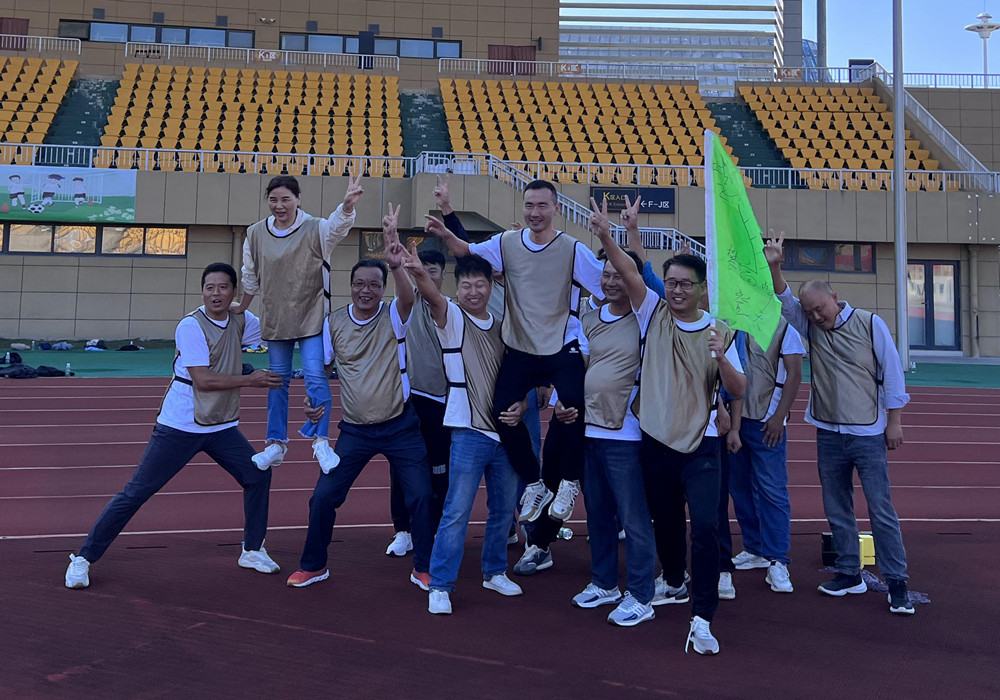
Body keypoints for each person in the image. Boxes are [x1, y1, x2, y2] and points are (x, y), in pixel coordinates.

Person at [64, 263, 284, 589]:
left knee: (257, 475)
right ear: (202, 291)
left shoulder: (242, 320)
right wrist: (251, 380)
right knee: (137, 491)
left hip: (220, 425)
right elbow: (203, 380)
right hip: (180, 425)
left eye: (223, 287)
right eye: (209, 287)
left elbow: (277, 332)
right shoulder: (190, 326)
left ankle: (252, 550)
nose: (216, 294)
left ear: (234, 292)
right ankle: (83, 558)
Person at [426, 179, 605, 575]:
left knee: (576, 407)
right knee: (502, 411)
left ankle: (569, 482)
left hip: (560, 345)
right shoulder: (507, 243)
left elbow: (605, 284)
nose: (535, 212)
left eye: (542, 205)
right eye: (529, 205)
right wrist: (446, 222)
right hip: (521, 348)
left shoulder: (572, 249)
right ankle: (535, 485)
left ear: (556, 209)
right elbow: (467, 252)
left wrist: (611, 237)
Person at [593, 197, 746, 655]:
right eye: (672, 282)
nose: (676, 290)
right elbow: (629, 268)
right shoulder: (652, 312)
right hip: (656, 441)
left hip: (702, 444)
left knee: (705, 527)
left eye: (685, 284)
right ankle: (675, 580)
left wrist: (721, 358)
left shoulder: (720, 331)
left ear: (702, 289)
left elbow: (738, 387)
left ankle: (703, 616)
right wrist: (608, 236)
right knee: (665, 520)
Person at [286, 204, 436, 591]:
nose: (365, 290)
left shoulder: (395, 315)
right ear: (351, 286)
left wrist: (397, 264)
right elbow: (320, 371)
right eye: (359, 284)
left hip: (401, 426)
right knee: (323, 498)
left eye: (373, 284)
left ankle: (424, 566)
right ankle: (313, 565)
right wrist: (312, 402)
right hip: (355, 430)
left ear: (382, 289)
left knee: (422, 496)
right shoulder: (333, 323)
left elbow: (408, 297)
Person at [764, 233, 914, 615]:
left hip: (868, 432)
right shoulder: (809, 326)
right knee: (837, 507)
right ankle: (849, 572)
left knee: (880, 509)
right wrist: (775, 264)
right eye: (810, 312)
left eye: (820, 309)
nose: (816, 317)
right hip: (829, 431)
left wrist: (894, 422)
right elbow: (785, 301)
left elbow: (893, 373)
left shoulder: (870, 323)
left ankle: (897, 582)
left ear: (834, 297)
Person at [402, 249, 524, 614]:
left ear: (490, 287)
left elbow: (517, 377)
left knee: (503, 509)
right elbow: (431, 295)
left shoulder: (503, 327)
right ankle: (440, 584)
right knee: (456, 511)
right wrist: (416, 272)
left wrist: (522, 404)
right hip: (469, 432)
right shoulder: (452, 318)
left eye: (480, 284)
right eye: (466, 285)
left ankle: (494, 571)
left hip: (505, 433)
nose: (473, 291)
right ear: (457, 289)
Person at [237, 174, 363, 474]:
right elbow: (250, 275)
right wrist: (241, 307)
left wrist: (346, 206)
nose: (279, 205)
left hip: (312, 316)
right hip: (276, 318)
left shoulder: (315, 228)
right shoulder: (255, 233)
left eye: (286, 199)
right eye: (273, 200)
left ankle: (321, 440)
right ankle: (275, 443)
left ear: (298, 199)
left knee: (316, 377)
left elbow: (337, 228)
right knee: (276, 380)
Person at [564, 248, 658, 627]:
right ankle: (604, 583)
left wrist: (609, 234)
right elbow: (582, 367)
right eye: (606, 274)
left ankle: (641, 594)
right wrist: (564, 402)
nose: (611, 281)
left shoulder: (646, 316)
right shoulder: (588, 319)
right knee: (599, 515)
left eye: (619, 274)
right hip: (590, 430)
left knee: (634, 518)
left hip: (627, 435)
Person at [724, 321, 805, 595]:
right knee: (739, 488)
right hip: (734, 420)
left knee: (772, 490)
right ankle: (755, 547)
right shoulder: (731, 323)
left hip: (766, 421)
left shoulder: (783, 327)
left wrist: (779, 416)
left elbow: (795, 373)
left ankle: (778, 559)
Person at [385, 248, 451, 558]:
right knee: (402, 467)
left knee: (439, 469)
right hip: (408, 401)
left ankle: (433, 527)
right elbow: (405, 285)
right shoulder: (406, 305)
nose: (425, 274)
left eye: (432, 270)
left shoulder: (450, 309)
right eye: (419, 269)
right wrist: (398, 264)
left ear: (443, 275)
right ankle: (403, 530)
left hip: (441, 402)